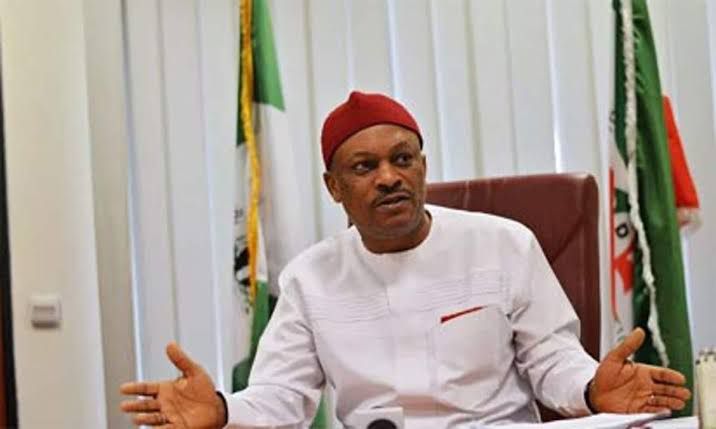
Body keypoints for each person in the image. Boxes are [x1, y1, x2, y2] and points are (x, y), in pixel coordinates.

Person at [120, 91, 691, 428]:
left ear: (423, 166)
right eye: (364, 167)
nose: (389, 177)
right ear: (334, 187)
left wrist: (591, 389)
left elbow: (552, 361)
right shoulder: (309, 279)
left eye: (403, 159)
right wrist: (223, 411)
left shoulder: (503, 244)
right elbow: (282, 396)